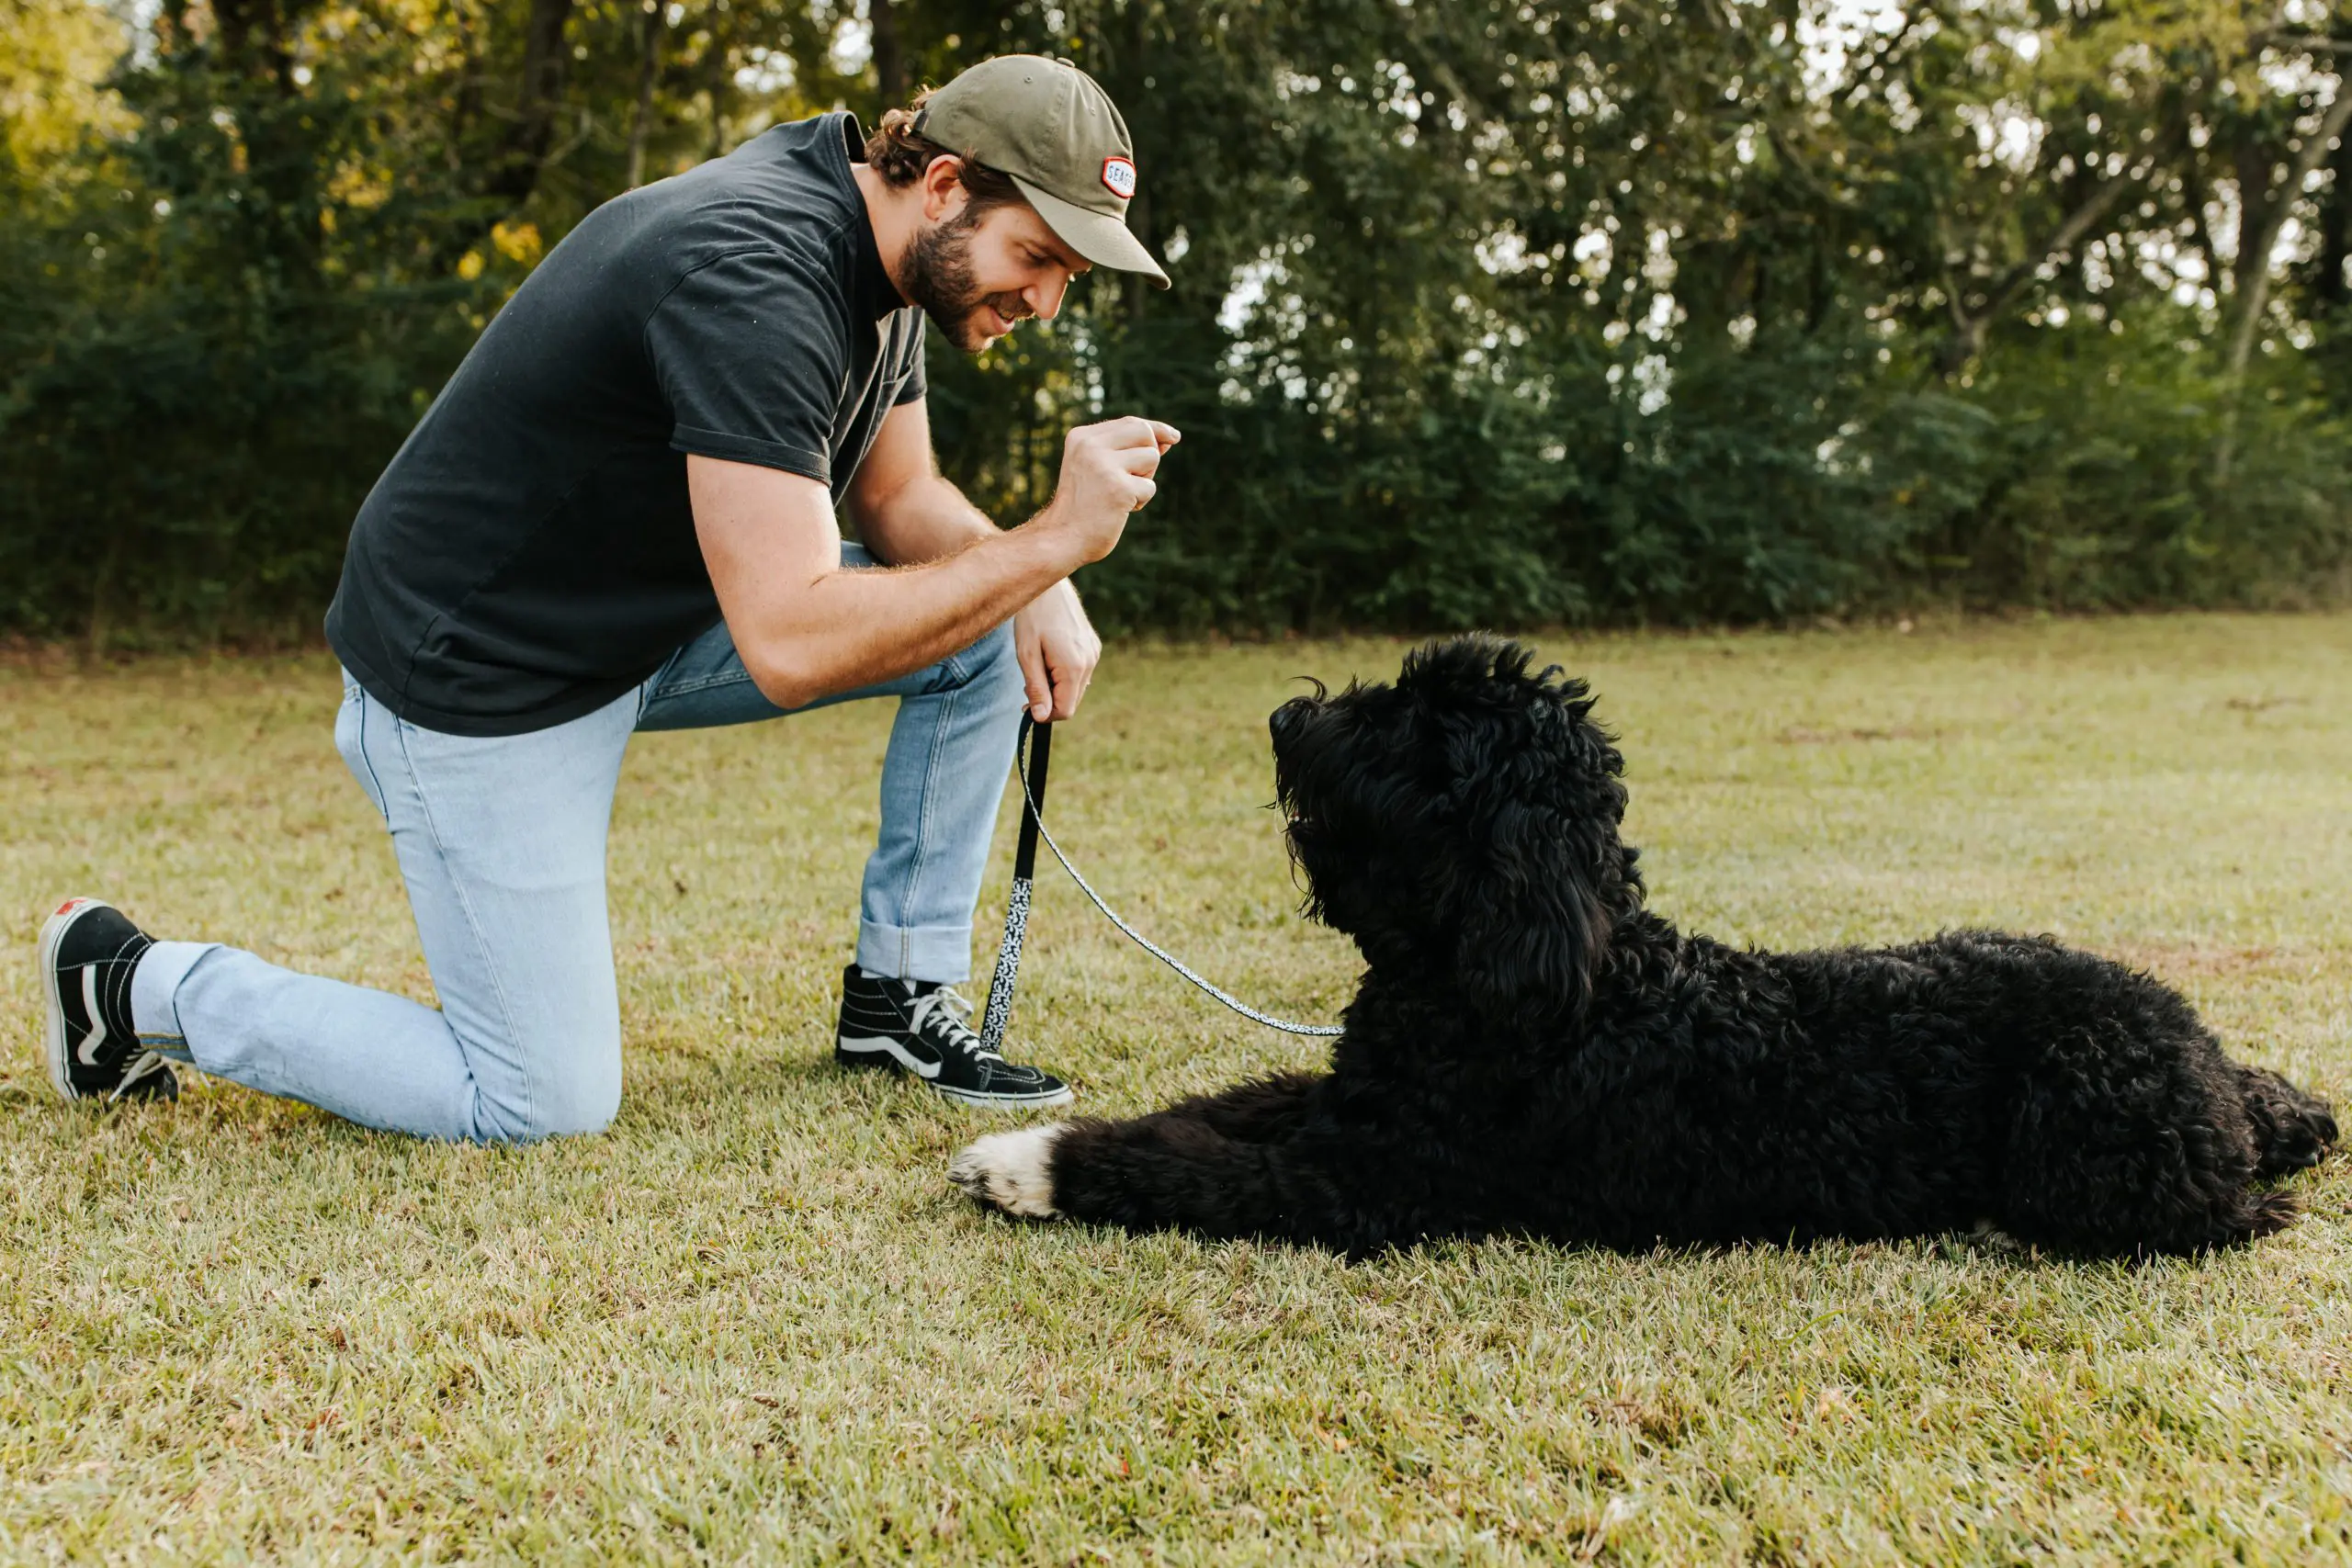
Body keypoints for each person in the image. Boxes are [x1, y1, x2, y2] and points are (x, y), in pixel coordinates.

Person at [37, 55, 1177, 1138]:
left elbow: (901, 492)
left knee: (977, 632)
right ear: (942, 186)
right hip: (482, 667)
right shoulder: (758, 273)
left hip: (641, 632)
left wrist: (1029, 581)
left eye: (1068, 277)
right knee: (538, 1099)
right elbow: (786, 638)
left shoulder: (888, 262)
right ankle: (131, 982)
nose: (1044, 300)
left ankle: (897, 1005)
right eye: (1037, 257)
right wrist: (1045, 545)